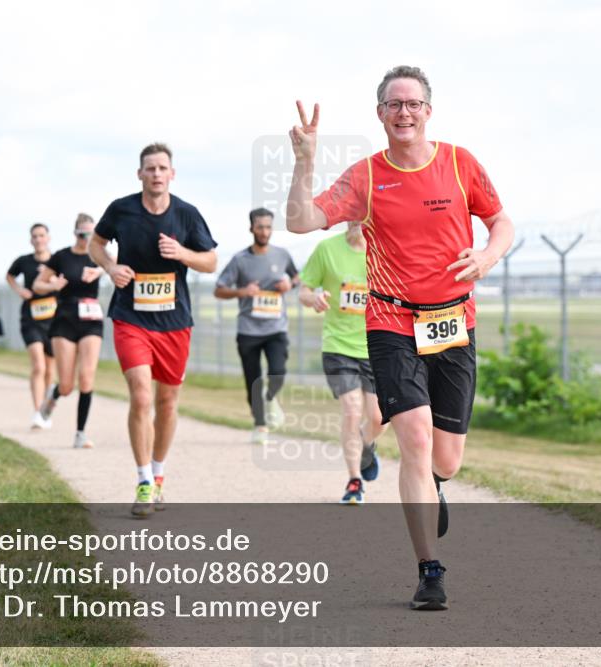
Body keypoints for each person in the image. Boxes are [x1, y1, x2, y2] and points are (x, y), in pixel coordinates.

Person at [284, 66, 514, 610]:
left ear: (428, 111)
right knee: (412, 435)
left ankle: (436, 485)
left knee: (446, 458)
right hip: (391, 322)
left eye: (413, 104)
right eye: (393, 104)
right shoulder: (366, 176)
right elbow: (300, 220)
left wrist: (487, 255)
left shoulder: (460, 164)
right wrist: (304, 162)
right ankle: (429, 569)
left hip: (454, 321)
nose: (404, 112)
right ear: (380, 114)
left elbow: (502, 221)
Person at [88, 142, 218, 518]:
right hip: (131, 317)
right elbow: (96, 244)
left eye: (163, 168)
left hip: (175, 322)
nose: (157, 174)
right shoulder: (121, 210)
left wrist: (183, 254)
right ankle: (143, 480)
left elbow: (210, 261)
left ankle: (159, 475)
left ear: (172, 174)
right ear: (140, 174)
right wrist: (111, 268)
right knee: (142, 396)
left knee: (167, 402)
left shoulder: (187, 215)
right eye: (150, 168)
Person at [298, 221, 387, 504]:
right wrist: (313, 298)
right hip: (338, 345)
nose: (357, 220)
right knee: (351, 409)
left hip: (376, 345)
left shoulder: (384, 250)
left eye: (364, 212)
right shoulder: (327, 249)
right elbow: (303, 289)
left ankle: (365, 446)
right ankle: (354, 481)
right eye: (352, 213)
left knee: (378, 417)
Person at [214, 208, 299, 443]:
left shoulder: (282, 255)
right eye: (260, 226)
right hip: (248, 330)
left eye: (268, 227)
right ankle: (260, 425)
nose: (264, 231)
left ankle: (270, 399)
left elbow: (297, 277)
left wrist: (288, 284)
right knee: (253, 380)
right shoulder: (240, 260)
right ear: (251, 228)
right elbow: (219, 289)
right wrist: (243, 291)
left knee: (278, 373)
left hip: (276, 328)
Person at [37, 214, 107, 448]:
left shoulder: (99, 255)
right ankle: (53, 396)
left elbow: (119, 264)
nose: (85, 238)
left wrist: (101, 271)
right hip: (65, 318)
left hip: (91, 319)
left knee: (87, 376)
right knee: (67, 385)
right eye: (81, 234)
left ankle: (80, 433)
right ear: (75, 233)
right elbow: (38, 284)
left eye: (90, 234)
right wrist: (53, 285)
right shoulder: (61, 256)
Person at [8, 223, 58, 429]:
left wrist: (53, 279)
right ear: (31, 240)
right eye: (35, 236)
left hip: (54, 320)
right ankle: (37, 412)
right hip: (31, 319)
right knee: (38, 365)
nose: (38, 239)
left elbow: (66, 281)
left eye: (41, 235)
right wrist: (20, 291)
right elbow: (10, 276)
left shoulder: (57, 261)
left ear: (48, 238)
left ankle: (45, 410)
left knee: (49, 370)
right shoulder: (24, 261)